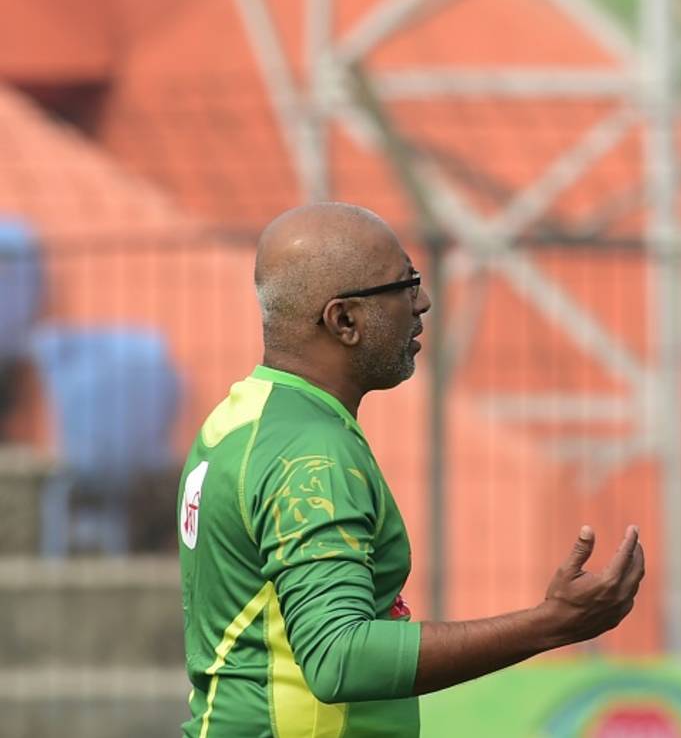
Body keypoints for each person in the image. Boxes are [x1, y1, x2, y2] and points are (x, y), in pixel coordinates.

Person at [177, 203, 644, 737]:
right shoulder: (310, 455)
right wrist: (550, 624)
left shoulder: (237, 420)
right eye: (404, 285)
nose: (422, 302)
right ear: (344, 320)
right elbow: (339, 656)